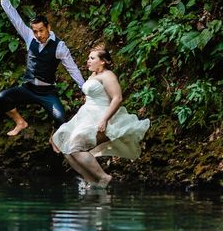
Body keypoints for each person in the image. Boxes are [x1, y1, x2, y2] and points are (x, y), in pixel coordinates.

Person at [0, 0, 85, 137]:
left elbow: (72, 68)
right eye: (35, 31)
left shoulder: (59, 47)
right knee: (0, 98)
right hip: (28, 89)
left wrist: (84, 88)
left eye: (41, 31)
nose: (38, 35)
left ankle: (54, 139)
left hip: (47, 92)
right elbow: (15, 20)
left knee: (61, 119)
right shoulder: (30, 37)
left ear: (48, 28)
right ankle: (20, 122)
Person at [52, 46, 150, 188]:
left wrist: (104, 119)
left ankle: (104, 177)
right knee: (65, 147)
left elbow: (117, 98)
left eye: (92, 58)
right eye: (88, 58)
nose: (88, 61)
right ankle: (91, 180)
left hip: (101, 115)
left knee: (75, 148)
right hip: (86, 114)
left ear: (102, 61)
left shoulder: (108, 76)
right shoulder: (93, 75)